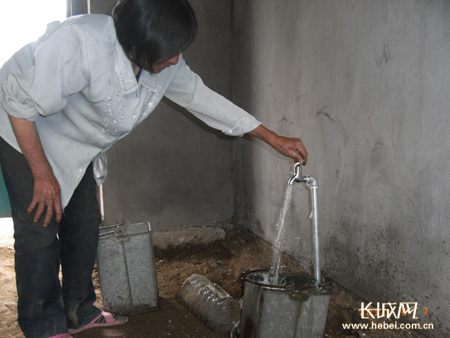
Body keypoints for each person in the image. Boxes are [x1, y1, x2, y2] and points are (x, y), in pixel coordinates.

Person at [0, 0, 308, 337]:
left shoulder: (160, 61)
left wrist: (271, 136)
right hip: (25, 131)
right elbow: (18, 101)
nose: (175, 59)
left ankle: (78, 310)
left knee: (84, 219)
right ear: (137, 41)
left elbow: (203, 99)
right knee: (40, 229)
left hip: (75, 144)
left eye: (178, 50)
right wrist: (43, 176)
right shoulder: (82, 43)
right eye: (168, 52)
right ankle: (43, 325)